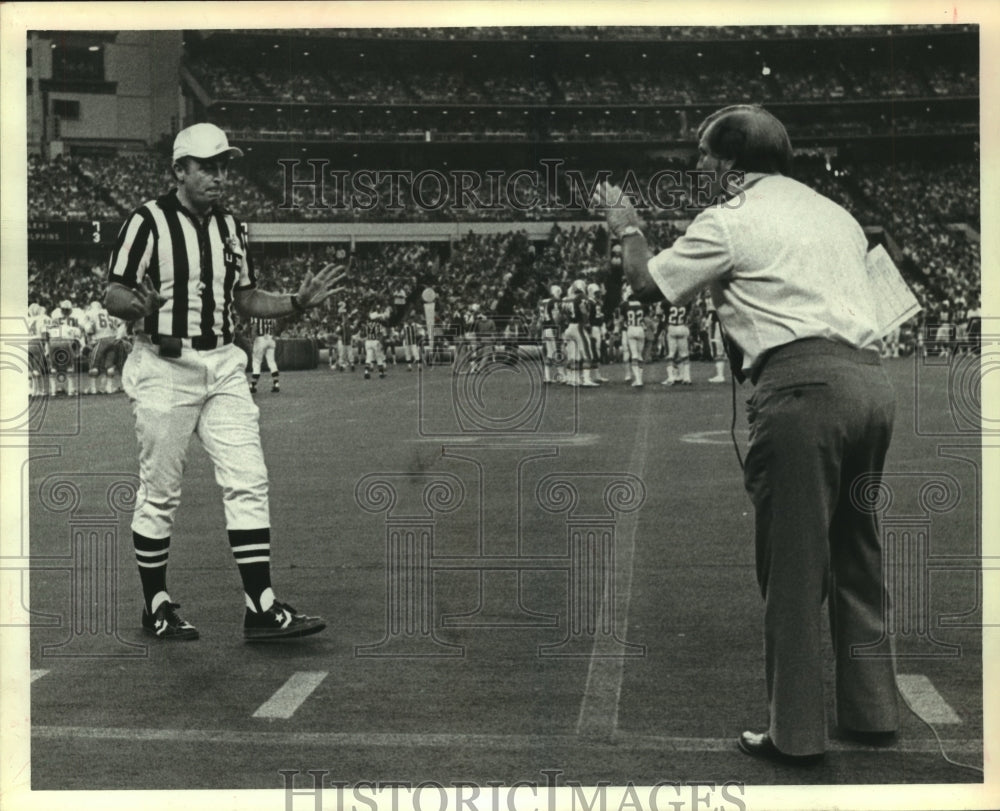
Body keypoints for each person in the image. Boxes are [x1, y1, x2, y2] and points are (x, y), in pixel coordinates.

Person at [594, 104, 900, 763]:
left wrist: (627, 227)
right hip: (872, 384)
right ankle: (873, 711)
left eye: (706, 157)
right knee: (858, 550)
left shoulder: (731, 219)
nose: (700, 168)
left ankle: (795, 733)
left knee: (793, 564)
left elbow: (648, 286)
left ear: (731, 162)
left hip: (800, 384)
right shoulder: (836, 214)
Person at [104, 122, 344, 642]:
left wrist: (296, 303)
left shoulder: (231, 226)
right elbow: (114, 292)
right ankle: (157, 605)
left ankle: (260, 606)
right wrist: (137, 306)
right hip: (165, 366)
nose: (218, 176)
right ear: (180, 170)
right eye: (208, 166)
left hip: (224, 363)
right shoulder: (147, 221)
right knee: (161, 492)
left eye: (223, 166)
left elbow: (245, 299)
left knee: (249, 478)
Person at [249, 315, 280, 393]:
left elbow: (255, 327)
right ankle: (276, 383)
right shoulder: (270, 313)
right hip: (270, 338)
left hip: (260, 338)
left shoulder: (256, 314)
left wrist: (252, 340)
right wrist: (273, 336)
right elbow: (275, 327)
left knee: (256, 361)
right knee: (271, 361)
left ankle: (253, 384)